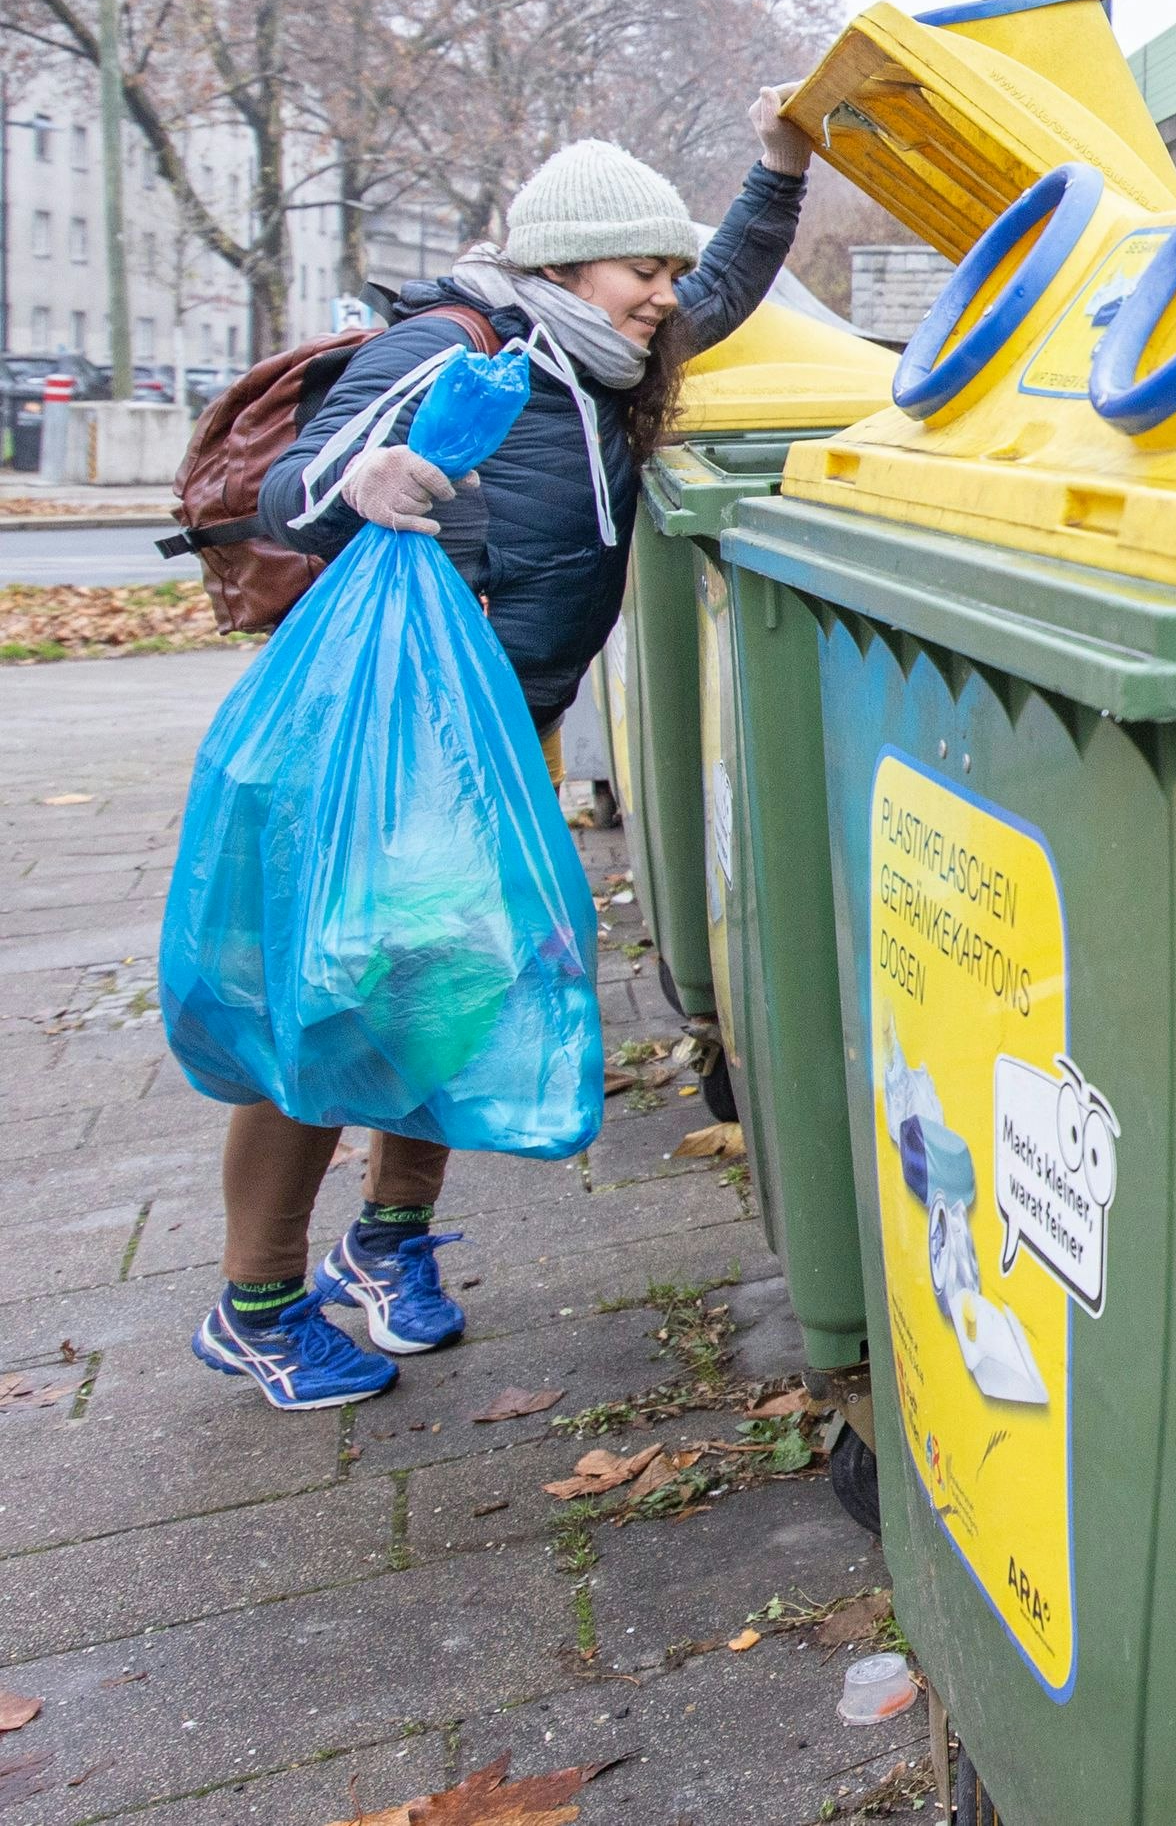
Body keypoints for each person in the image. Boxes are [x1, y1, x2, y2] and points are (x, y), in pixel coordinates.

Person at [188, 92, 812, 1410]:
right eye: (643, 270)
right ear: (569, 265)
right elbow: (298, 490)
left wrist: (779, 167)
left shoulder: (607, 362)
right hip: (393, 751)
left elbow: (727, 288)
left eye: (667, 270)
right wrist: (371, 483)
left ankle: (388, 1242)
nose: (665, 295)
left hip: (499, 738)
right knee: (330, 1003)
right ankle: (257, 1302)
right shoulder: (458, 343)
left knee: (447, 996)